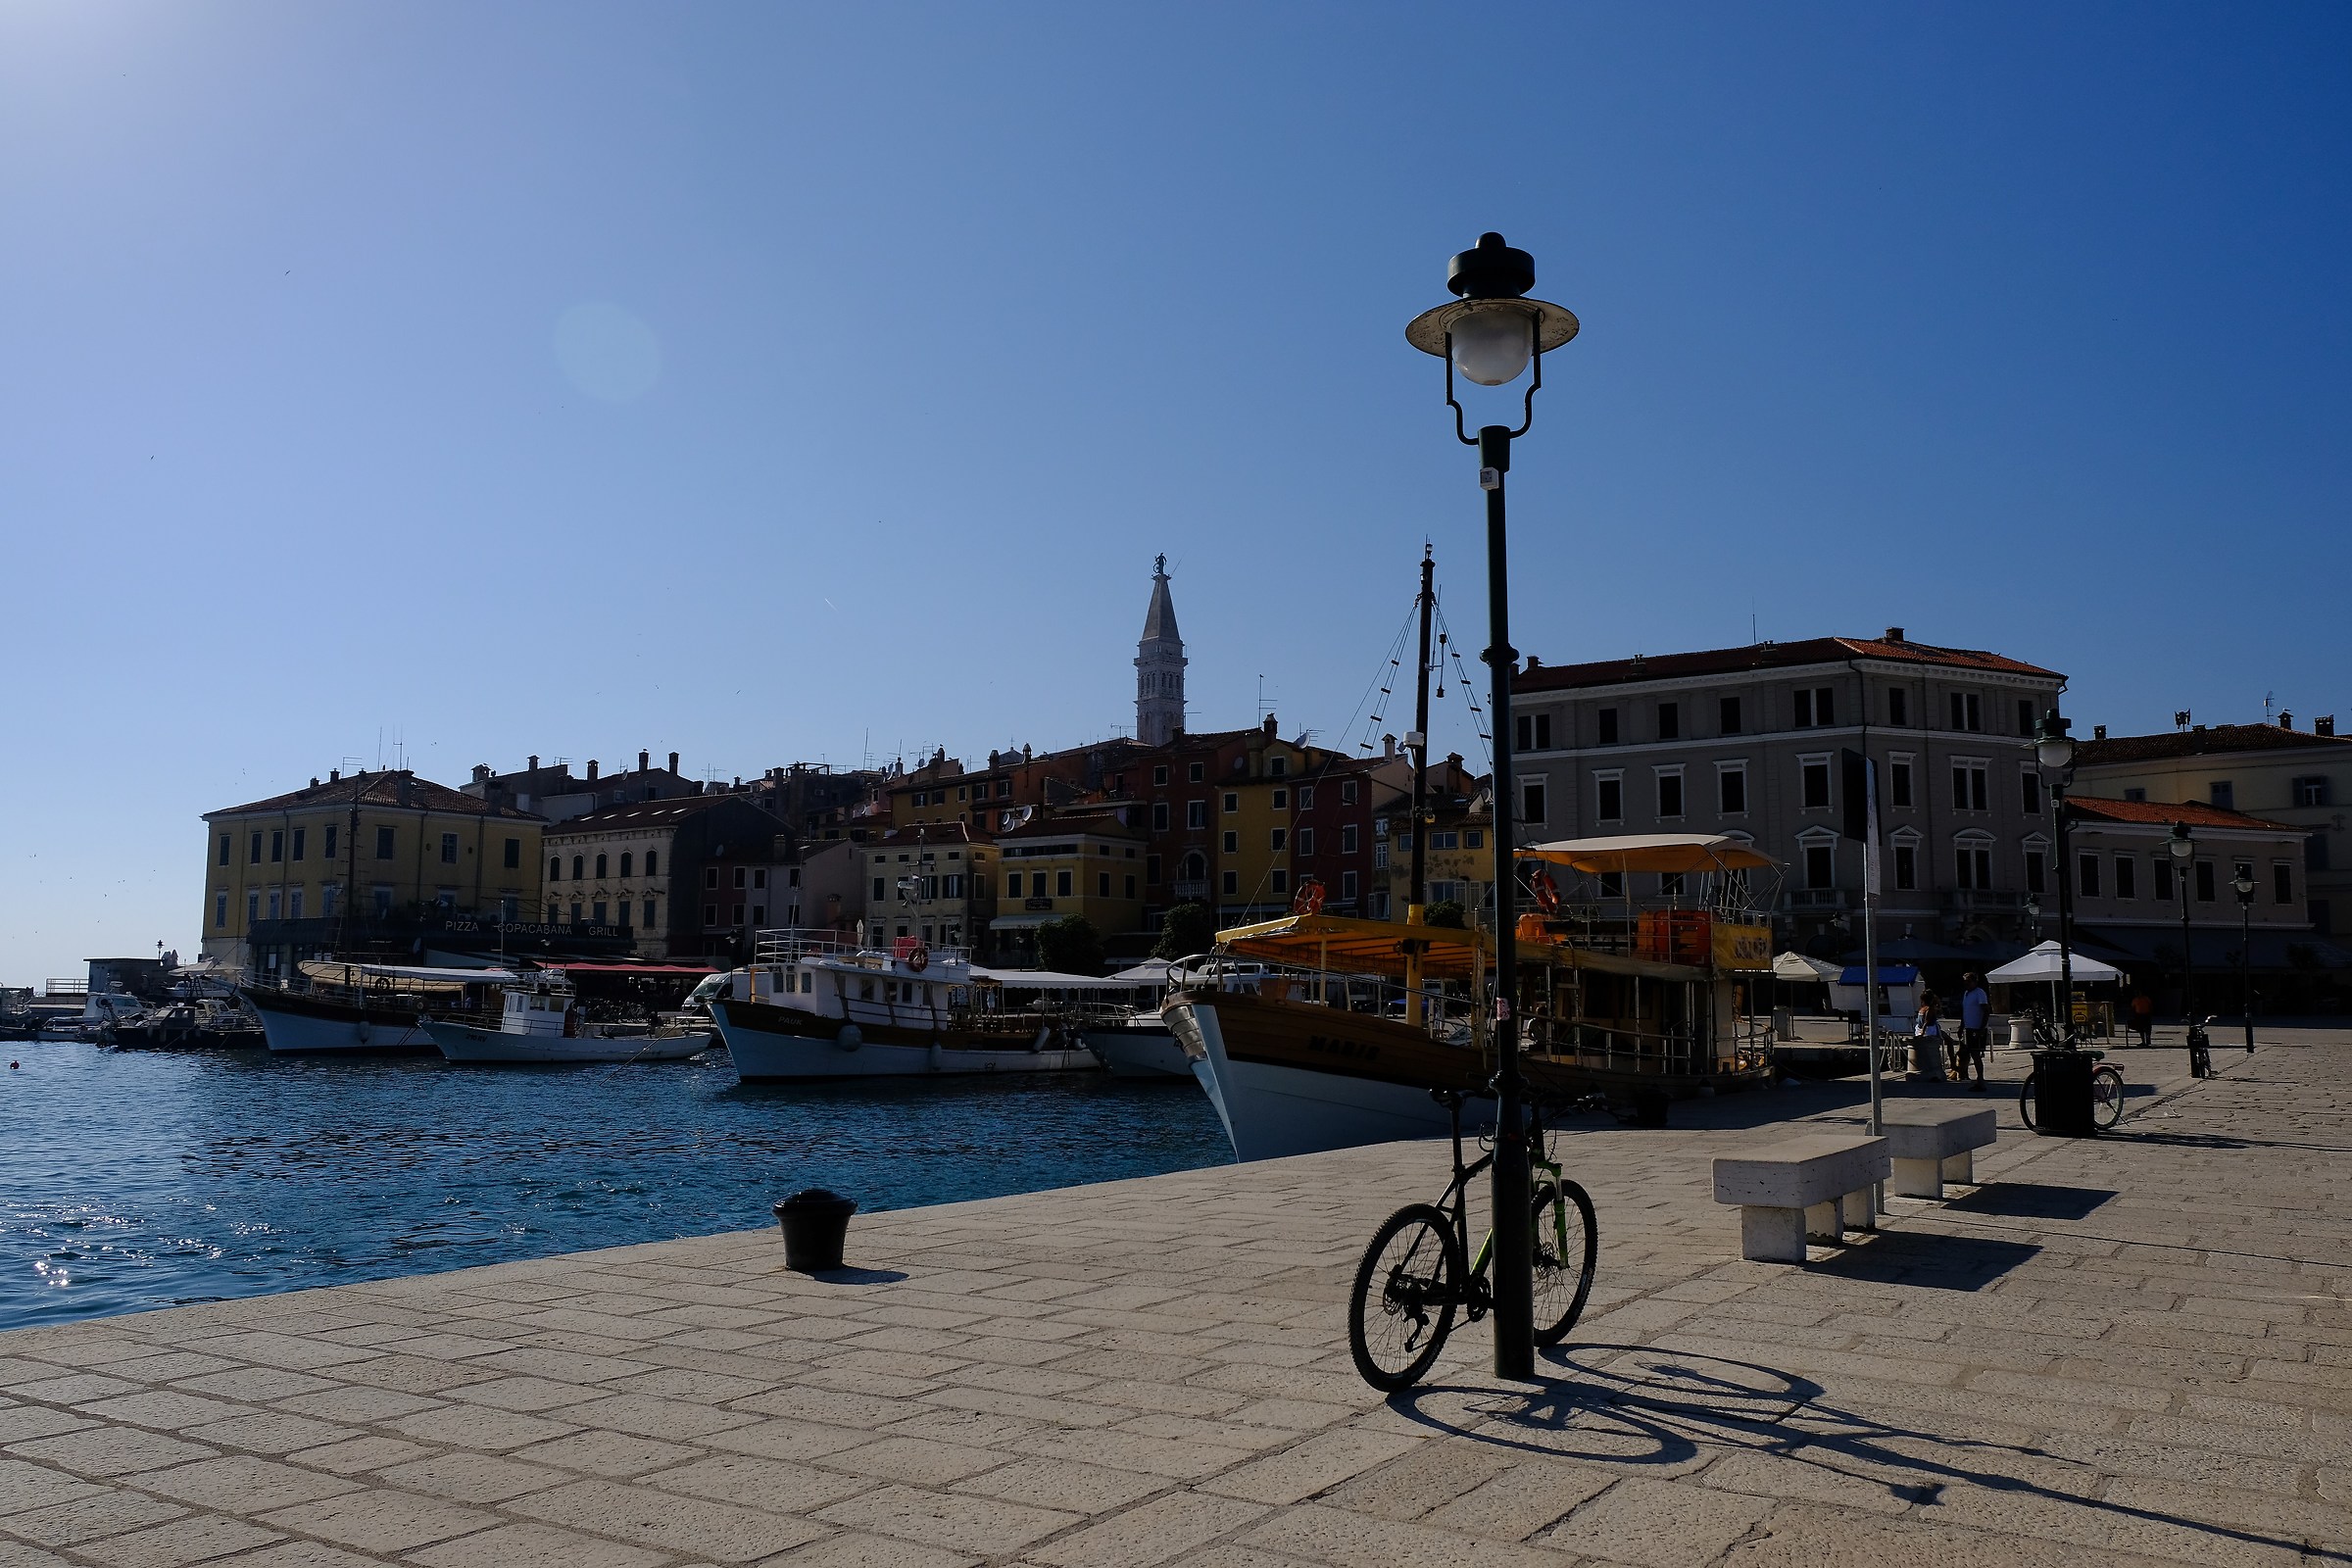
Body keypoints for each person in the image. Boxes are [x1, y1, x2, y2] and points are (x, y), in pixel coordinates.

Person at [1959, 972, 1991, 1091]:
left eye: (1969, 982)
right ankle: (1964, 1075)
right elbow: (1965, 1012)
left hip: (1977, 1028)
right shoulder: (1966, 993)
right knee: (1967, 1053)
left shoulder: (1979, 993)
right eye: (1965, 982)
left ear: (1974, 982)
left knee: (1976, 1054)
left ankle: (1981, 1080)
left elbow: (1986, 1011)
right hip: (1968, 1027)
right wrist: (1961, 1026)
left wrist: (1981, 1028)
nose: (1966, 984)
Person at [1910, 990, 1945, 1081]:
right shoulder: (1929, 1009)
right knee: (1948, 1040)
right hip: (1929, 1030)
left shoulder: (1921, 1008)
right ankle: (1952, 1065)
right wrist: (1923, 1032)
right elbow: (1927, 1021)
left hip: (1919, 1028)